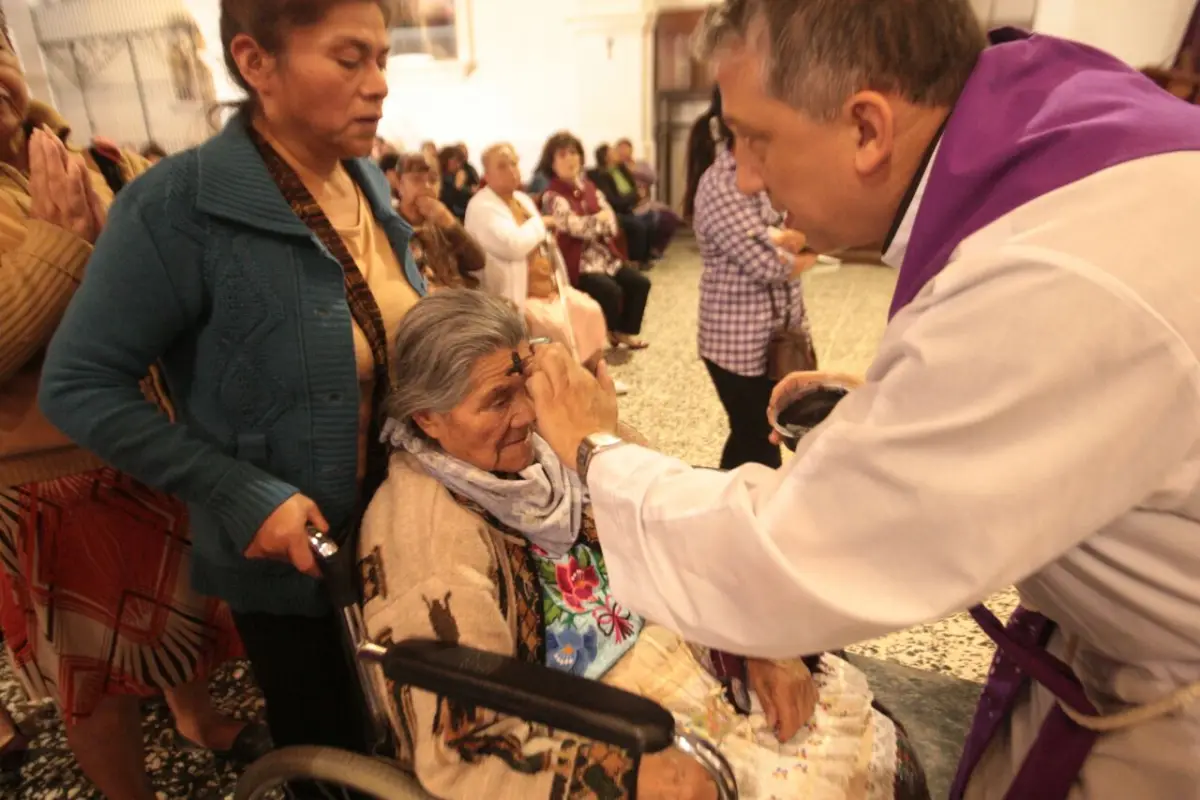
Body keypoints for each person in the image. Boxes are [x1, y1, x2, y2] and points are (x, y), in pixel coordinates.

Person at [524, 2, 1200, 798]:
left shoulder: (1051, 279)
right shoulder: (1056, 135)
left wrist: (597, 451)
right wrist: (896, 400)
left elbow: (792, 555)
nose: (744, 175)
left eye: (754, 138)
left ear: (868, 129)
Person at [38, 0, 424, 761]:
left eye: (383, 58)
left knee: (414, 730)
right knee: (337, 751)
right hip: (297, 562)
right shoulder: (178, 207)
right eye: (350, 60)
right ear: (256, 64)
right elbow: (78, 384)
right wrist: (240, 492)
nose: (379, 84)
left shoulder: (364, 183)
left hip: (404, 530)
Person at [359, 290, 930, 800]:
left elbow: (686, 525)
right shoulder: (425, 531)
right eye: (497, 400)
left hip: (683, 658)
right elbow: (462, 742)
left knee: (875, 756)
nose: (528, 415)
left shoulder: (563, 441)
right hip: (588, 727)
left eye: (527, 388)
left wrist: (758, 643)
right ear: (427, 419)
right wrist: (617, 776)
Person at [0, 22, 263, 799]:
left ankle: (196, 716)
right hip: (55, 477)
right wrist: (64, 243)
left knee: (179, 620)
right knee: (97, 677)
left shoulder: (93, 155)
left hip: (151, 438)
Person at [682, 88, 816, 470]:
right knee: (758, 438)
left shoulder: (764, 172)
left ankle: (724, 506)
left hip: (772, 335)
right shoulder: (722, 184)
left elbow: (791, 229)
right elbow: (770, 265)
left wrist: (795, 243)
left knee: (750, 433)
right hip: (736, 345)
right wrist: (810, 249)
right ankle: (746, 516)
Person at [464, 143, 610, 370]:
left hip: (549, 288)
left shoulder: (521, 199)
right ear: (487, 175)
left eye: (514, 163)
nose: (512, 170)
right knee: (556, 326)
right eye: (502, 166)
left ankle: (593, 372)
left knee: (589, 310)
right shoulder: (481, 206)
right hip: (518, 295)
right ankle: (567, 384)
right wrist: (541, 222)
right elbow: (513, 245)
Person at [538, 131, 652, 351]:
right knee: (610, 291)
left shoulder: (589, 187)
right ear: (552, 163)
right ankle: (602, 335)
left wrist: (592, 222)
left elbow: (611, 222)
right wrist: (595, 221)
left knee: (639, 283)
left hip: (605, 256)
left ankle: (623, 331)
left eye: (573, 153)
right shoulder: (552, 196)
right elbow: (574, 227)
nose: (570, 159)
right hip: (579, 262)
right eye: (562, 155)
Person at [385, 152, 485, 290]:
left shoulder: (441, 221)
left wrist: (450, 223)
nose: (427, 186)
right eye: (417, 180)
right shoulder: (389, 226)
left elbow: (477, 262)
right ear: (400, 184)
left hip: (457, 299)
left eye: (433, 180)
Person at [438, 144, 476, 220]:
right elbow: (446, 201)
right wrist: (458, 187)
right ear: (446, 159)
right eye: (456, 161)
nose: (458, 165)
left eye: (460, 162)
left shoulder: (458, 174)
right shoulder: (439, 177)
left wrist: (470, 190)